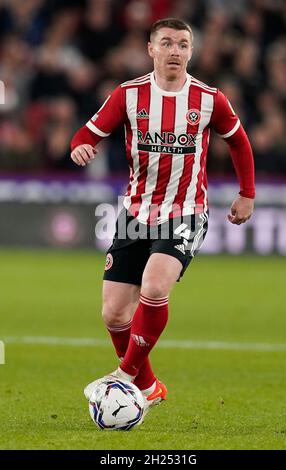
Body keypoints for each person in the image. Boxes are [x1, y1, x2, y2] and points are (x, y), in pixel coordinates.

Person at [70, 18, 255, 421]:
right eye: (167, 43)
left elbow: (238, 141)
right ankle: (149, 386)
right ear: (150, 49)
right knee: (114, 313)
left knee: (154, 287)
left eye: (183, 44)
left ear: (192, 51)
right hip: (135, 213)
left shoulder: (209, 99)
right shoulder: (128, 95)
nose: (175, 50)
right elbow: (86, 134)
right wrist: (81, 148)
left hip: (186, 211)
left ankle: (123, 377)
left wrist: (247, 193)